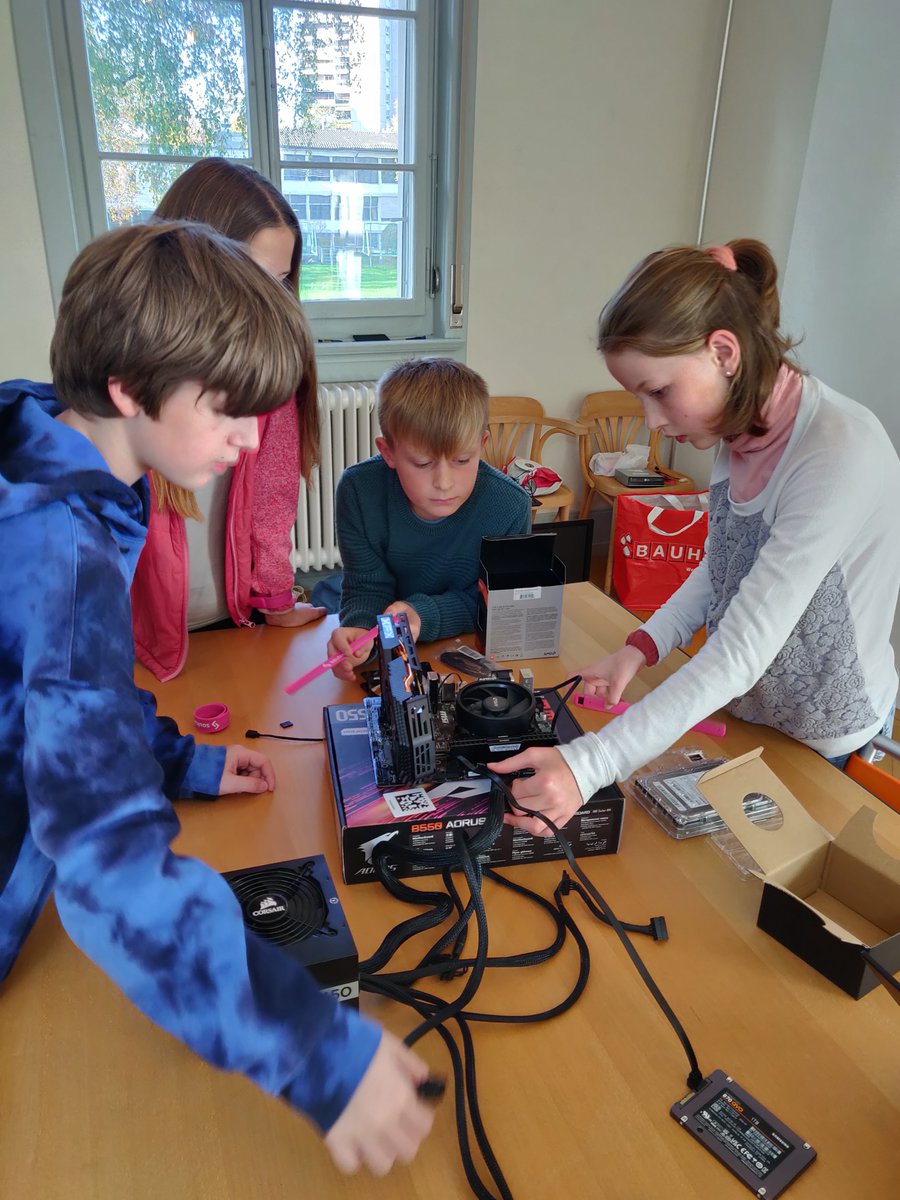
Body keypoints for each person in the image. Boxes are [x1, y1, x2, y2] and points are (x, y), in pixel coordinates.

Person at [0, 221, 434, 1174]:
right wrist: (321, 1056)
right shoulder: (61, 548)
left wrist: (182, 761)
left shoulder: (39, 442)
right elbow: (106, 865)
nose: (249, 439)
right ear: (127, 385)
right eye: (231, 408)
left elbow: (60, 694)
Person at [493, 238, 900, 834]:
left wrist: (590, 764)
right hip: (749, 712)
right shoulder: (739, 431)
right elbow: (721, 569)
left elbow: (738, 649)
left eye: (659, 392)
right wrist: (642, 647)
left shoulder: (839, 450)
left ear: (724, 352)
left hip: (825, 734)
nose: (653, 421)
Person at [131, 158, 326, 683]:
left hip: (231, 619)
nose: (245, 439)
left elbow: (272, 501)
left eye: (281, 284)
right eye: (251, 280)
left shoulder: (272, 380)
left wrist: (275, 598)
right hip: (139, 643)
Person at [326, 357, 532, 682]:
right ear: (388, 452)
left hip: (470, 657)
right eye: (422, 463)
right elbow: (367, 586)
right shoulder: (358, 490)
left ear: (482, 445)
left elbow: (497, 603)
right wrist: (359, 628)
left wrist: (424, 614)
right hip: (393, 657)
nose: (444, 482)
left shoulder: (510, 505)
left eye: (463, 460)